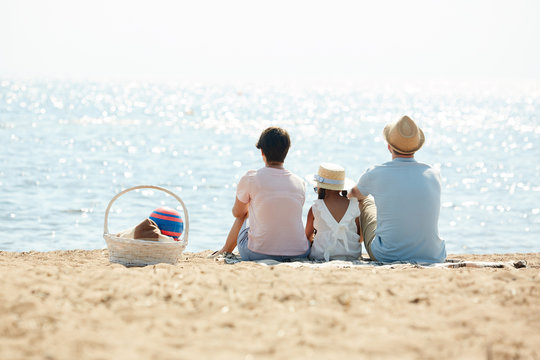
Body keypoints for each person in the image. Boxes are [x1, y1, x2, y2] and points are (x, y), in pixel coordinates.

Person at [349, 115, 446, 263]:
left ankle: (350, 247)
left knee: (365, 200)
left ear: (389, 146)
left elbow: (352, 195)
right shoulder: (433, 173)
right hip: (433, 254)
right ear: (417, 147)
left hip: (387, 255)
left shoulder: (376, 172)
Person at [216, 127, 310, 261]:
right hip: (298, 252)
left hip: (258, 253)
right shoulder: (300, 182)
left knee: (246, 212)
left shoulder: (251, 178)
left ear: (262, 152)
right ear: (287, 151)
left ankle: (225, 250)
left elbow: (238, 214)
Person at [305, 163, 363, 261]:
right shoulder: (354, 206)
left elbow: (306, 237)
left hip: (322, 255)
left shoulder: (316, 208)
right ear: (341, 187)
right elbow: (359, 237)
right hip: (352, 256)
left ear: (321, 187)